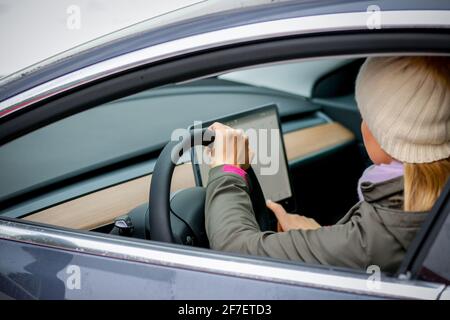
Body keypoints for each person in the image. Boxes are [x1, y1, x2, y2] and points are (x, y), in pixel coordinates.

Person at [204, 56, 450, 273]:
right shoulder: (425, 207)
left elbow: (234, 249)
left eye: (365, 115)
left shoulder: (388, 230)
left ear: (382, 136)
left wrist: (228, 169)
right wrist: (321, 237)